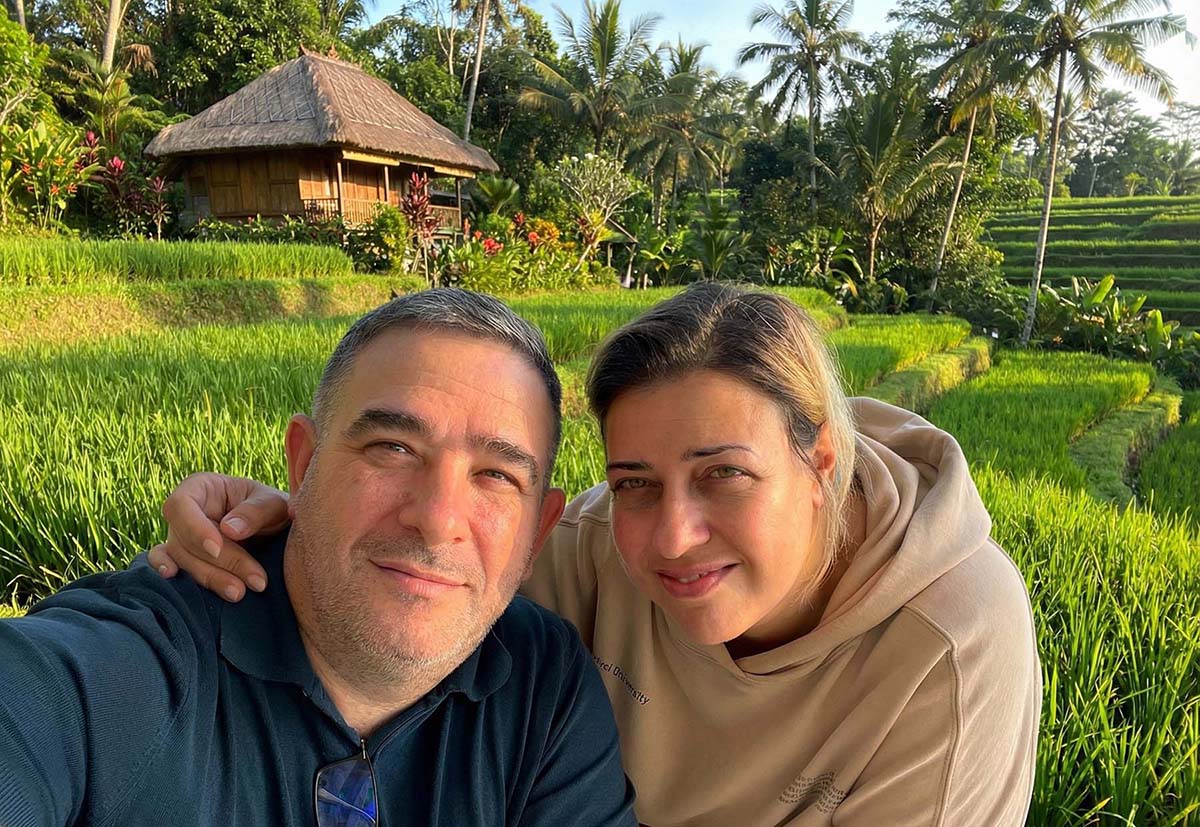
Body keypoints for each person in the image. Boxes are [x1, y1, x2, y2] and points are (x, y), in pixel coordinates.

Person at [152, 283, 1042, 826]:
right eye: (634, 482)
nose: (672, 535)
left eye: (724, 474)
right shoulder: (585, 547)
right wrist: (301, 526)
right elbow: (417, 586)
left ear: (819, 461)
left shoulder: (950, 644)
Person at [0, 289, 636, 827]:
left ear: (538, 531)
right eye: (392, 447)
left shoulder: (541, 686)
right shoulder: (130, 668)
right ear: (303, 467)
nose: (437, 521)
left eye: (497, 475)